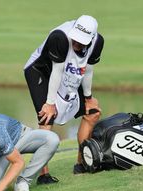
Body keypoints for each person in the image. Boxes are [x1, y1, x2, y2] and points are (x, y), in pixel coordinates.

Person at [23, 15, 104, 175]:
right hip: (41, 70)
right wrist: (50, 103)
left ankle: (82, 164)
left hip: (69, 70)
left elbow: (87, 70)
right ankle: (43, 174)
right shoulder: (59, 37)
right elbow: (57, 71)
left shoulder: (97, 42)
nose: (76, 43)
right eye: (75, 39)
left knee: (92, 113)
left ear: (91, 38)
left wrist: (88, 98)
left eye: (81, 42)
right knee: (47, 117)